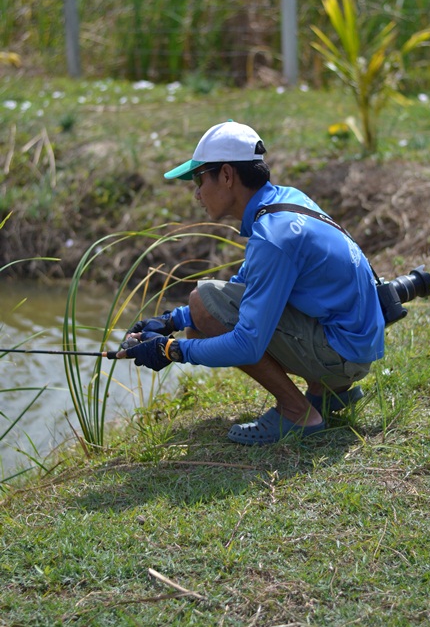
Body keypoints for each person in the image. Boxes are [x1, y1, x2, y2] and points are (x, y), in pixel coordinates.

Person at [117, 120, 385, 445]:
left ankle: (297, 413)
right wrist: (171, 320)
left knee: (204, 302)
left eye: (200, 179)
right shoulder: (285, 203)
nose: (197, 193)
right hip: (357, 349)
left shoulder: (274, 237)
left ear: (227, 175)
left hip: (344, 356)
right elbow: (247, 286)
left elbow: (247, 344)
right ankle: (329, 394)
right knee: (198, 318)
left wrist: (170, 350)